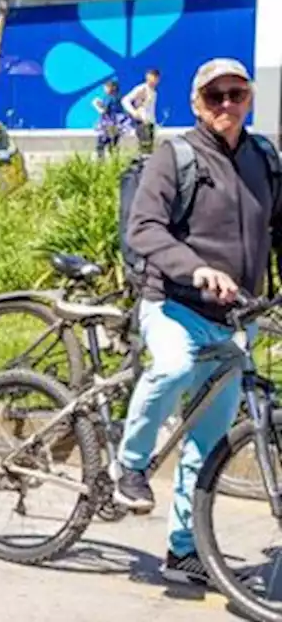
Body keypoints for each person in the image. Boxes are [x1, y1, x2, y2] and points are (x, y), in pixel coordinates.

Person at [116, 58, 282, 585]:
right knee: (172, 365)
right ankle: (131, 465)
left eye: (237, 94)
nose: (227, 105)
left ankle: (184, 550)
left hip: (235, 318)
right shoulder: (176, 155)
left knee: (209, 442)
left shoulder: (264, 158)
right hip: (175, 306)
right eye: (216, 97)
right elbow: (143, 229)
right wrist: (196, 269)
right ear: (197, 104)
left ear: (250, 99)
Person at [123, 69, 161, 154]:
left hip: (150, 123)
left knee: (149, 149)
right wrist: (134, 112)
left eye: (154, 79)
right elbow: (125, 100)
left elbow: (151, 109)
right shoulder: (142, 89)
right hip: (142, 122)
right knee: (144, 149)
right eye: (150, 79)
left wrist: (154, 124)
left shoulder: (154, 92)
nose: (152, 81)